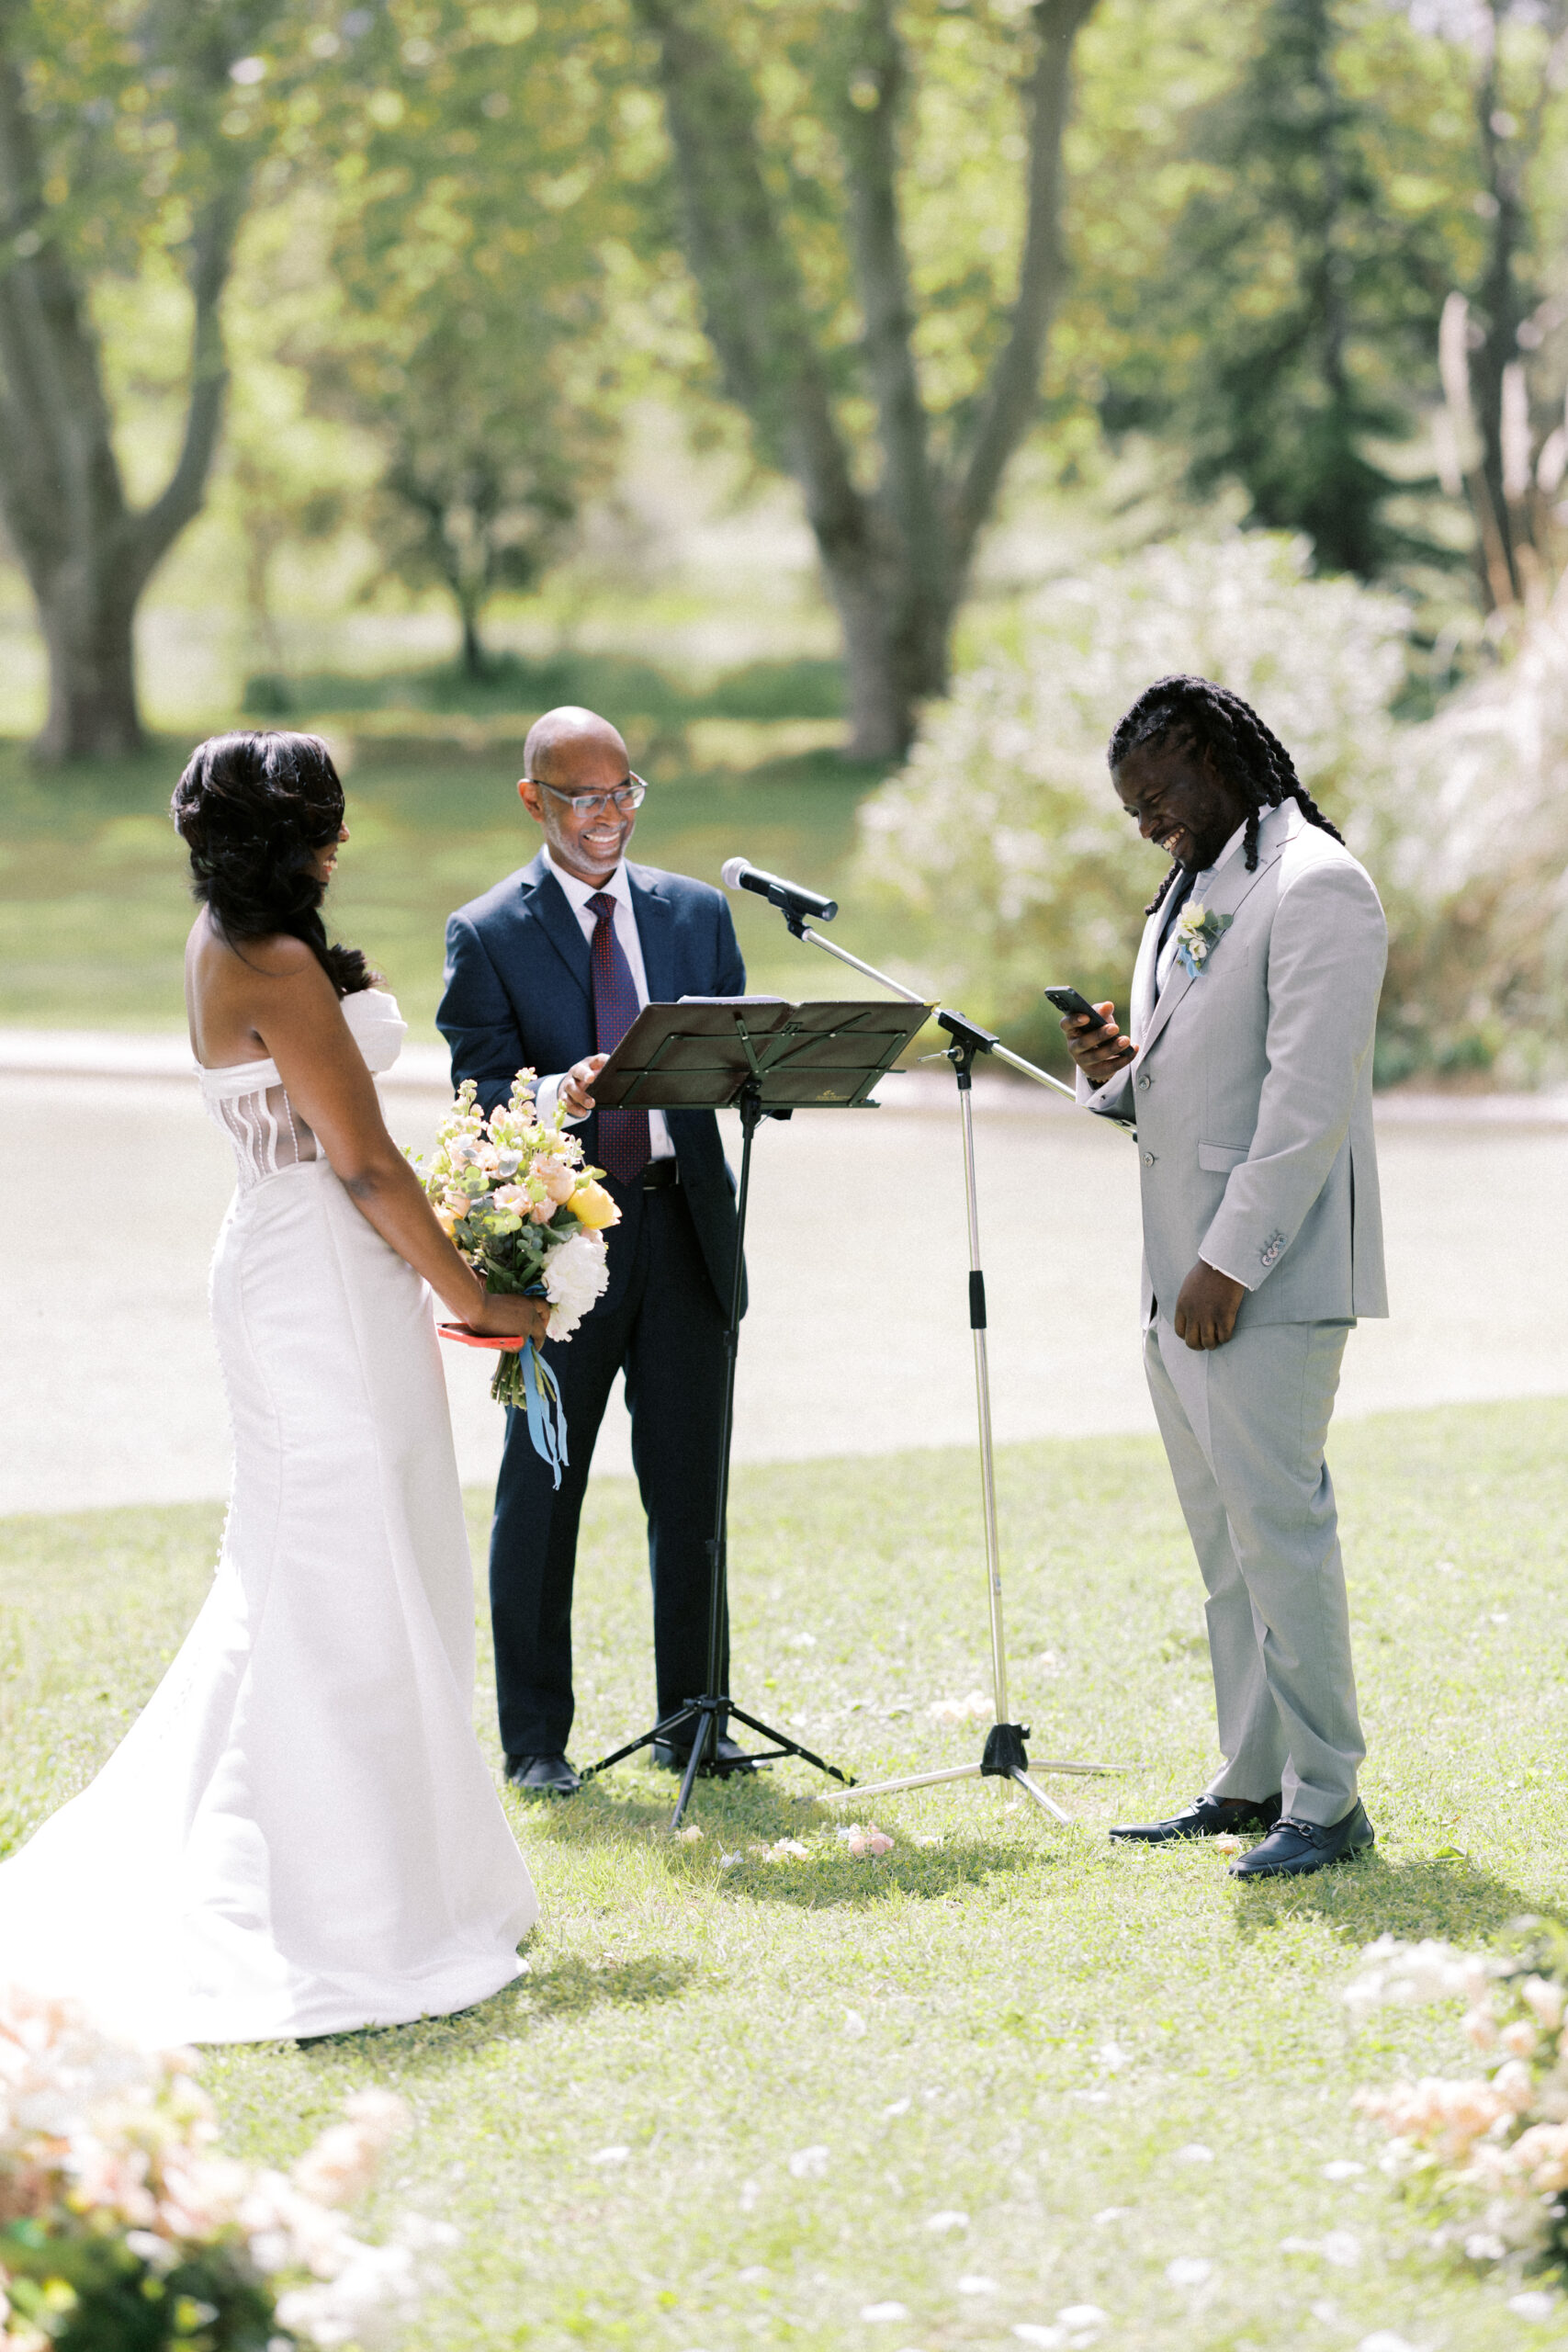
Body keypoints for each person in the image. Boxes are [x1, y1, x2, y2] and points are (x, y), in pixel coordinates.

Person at [0, 731, 543, 2043]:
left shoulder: (224, 939)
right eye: (331, 822)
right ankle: (334, 1900)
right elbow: (358, 1163)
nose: (343, 843)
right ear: (303, 835)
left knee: (330, 1554)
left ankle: (384, 1861)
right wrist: (476, 1297)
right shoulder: (275, 962)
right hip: (320, 1275)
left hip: (299, 1257)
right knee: (333, 1566)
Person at [1061, 676, 1387, 1883]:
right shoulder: (1199, 885)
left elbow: (1305, 1109)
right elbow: (1188, 1080)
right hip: (1173, 1273)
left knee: (1279, 1533)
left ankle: (1326, 1799)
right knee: (1224, 1546)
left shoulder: (1316, 887)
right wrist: (1114, 1068)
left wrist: (1225, 1265)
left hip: (1259, 1278)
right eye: (1132, 812)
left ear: (1214, 760)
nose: (1148, 826)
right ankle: (1249, 1780)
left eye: (1156, 799)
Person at [437, 707, 749, 1796]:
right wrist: (557, 1097)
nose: (608, 815)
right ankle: (535, 1745)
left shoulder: (699, 914)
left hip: (688, 1229)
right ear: (535, 800)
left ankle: (695, 1725)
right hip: (562, 1252)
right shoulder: (486, 933)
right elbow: (479, 1102)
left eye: (623, 792)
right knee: (541, 1490)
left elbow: (739, 1064)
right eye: (583, 796)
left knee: (690, 1491)